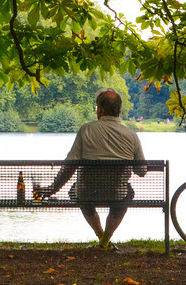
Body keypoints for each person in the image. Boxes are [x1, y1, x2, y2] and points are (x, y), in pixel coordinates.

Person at [42, 89, 146, 249]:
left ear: (100, 109)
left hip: (88, 194)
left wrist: (52, 189)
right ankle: (106, 239)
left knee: (76, 191)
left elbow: (70, 166)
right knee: (127, 193)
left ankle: (101, 237)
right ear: (119, 110)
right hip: (116, 195)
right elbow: (141, 171)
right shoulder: (131, 135)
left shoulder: (86, 130)